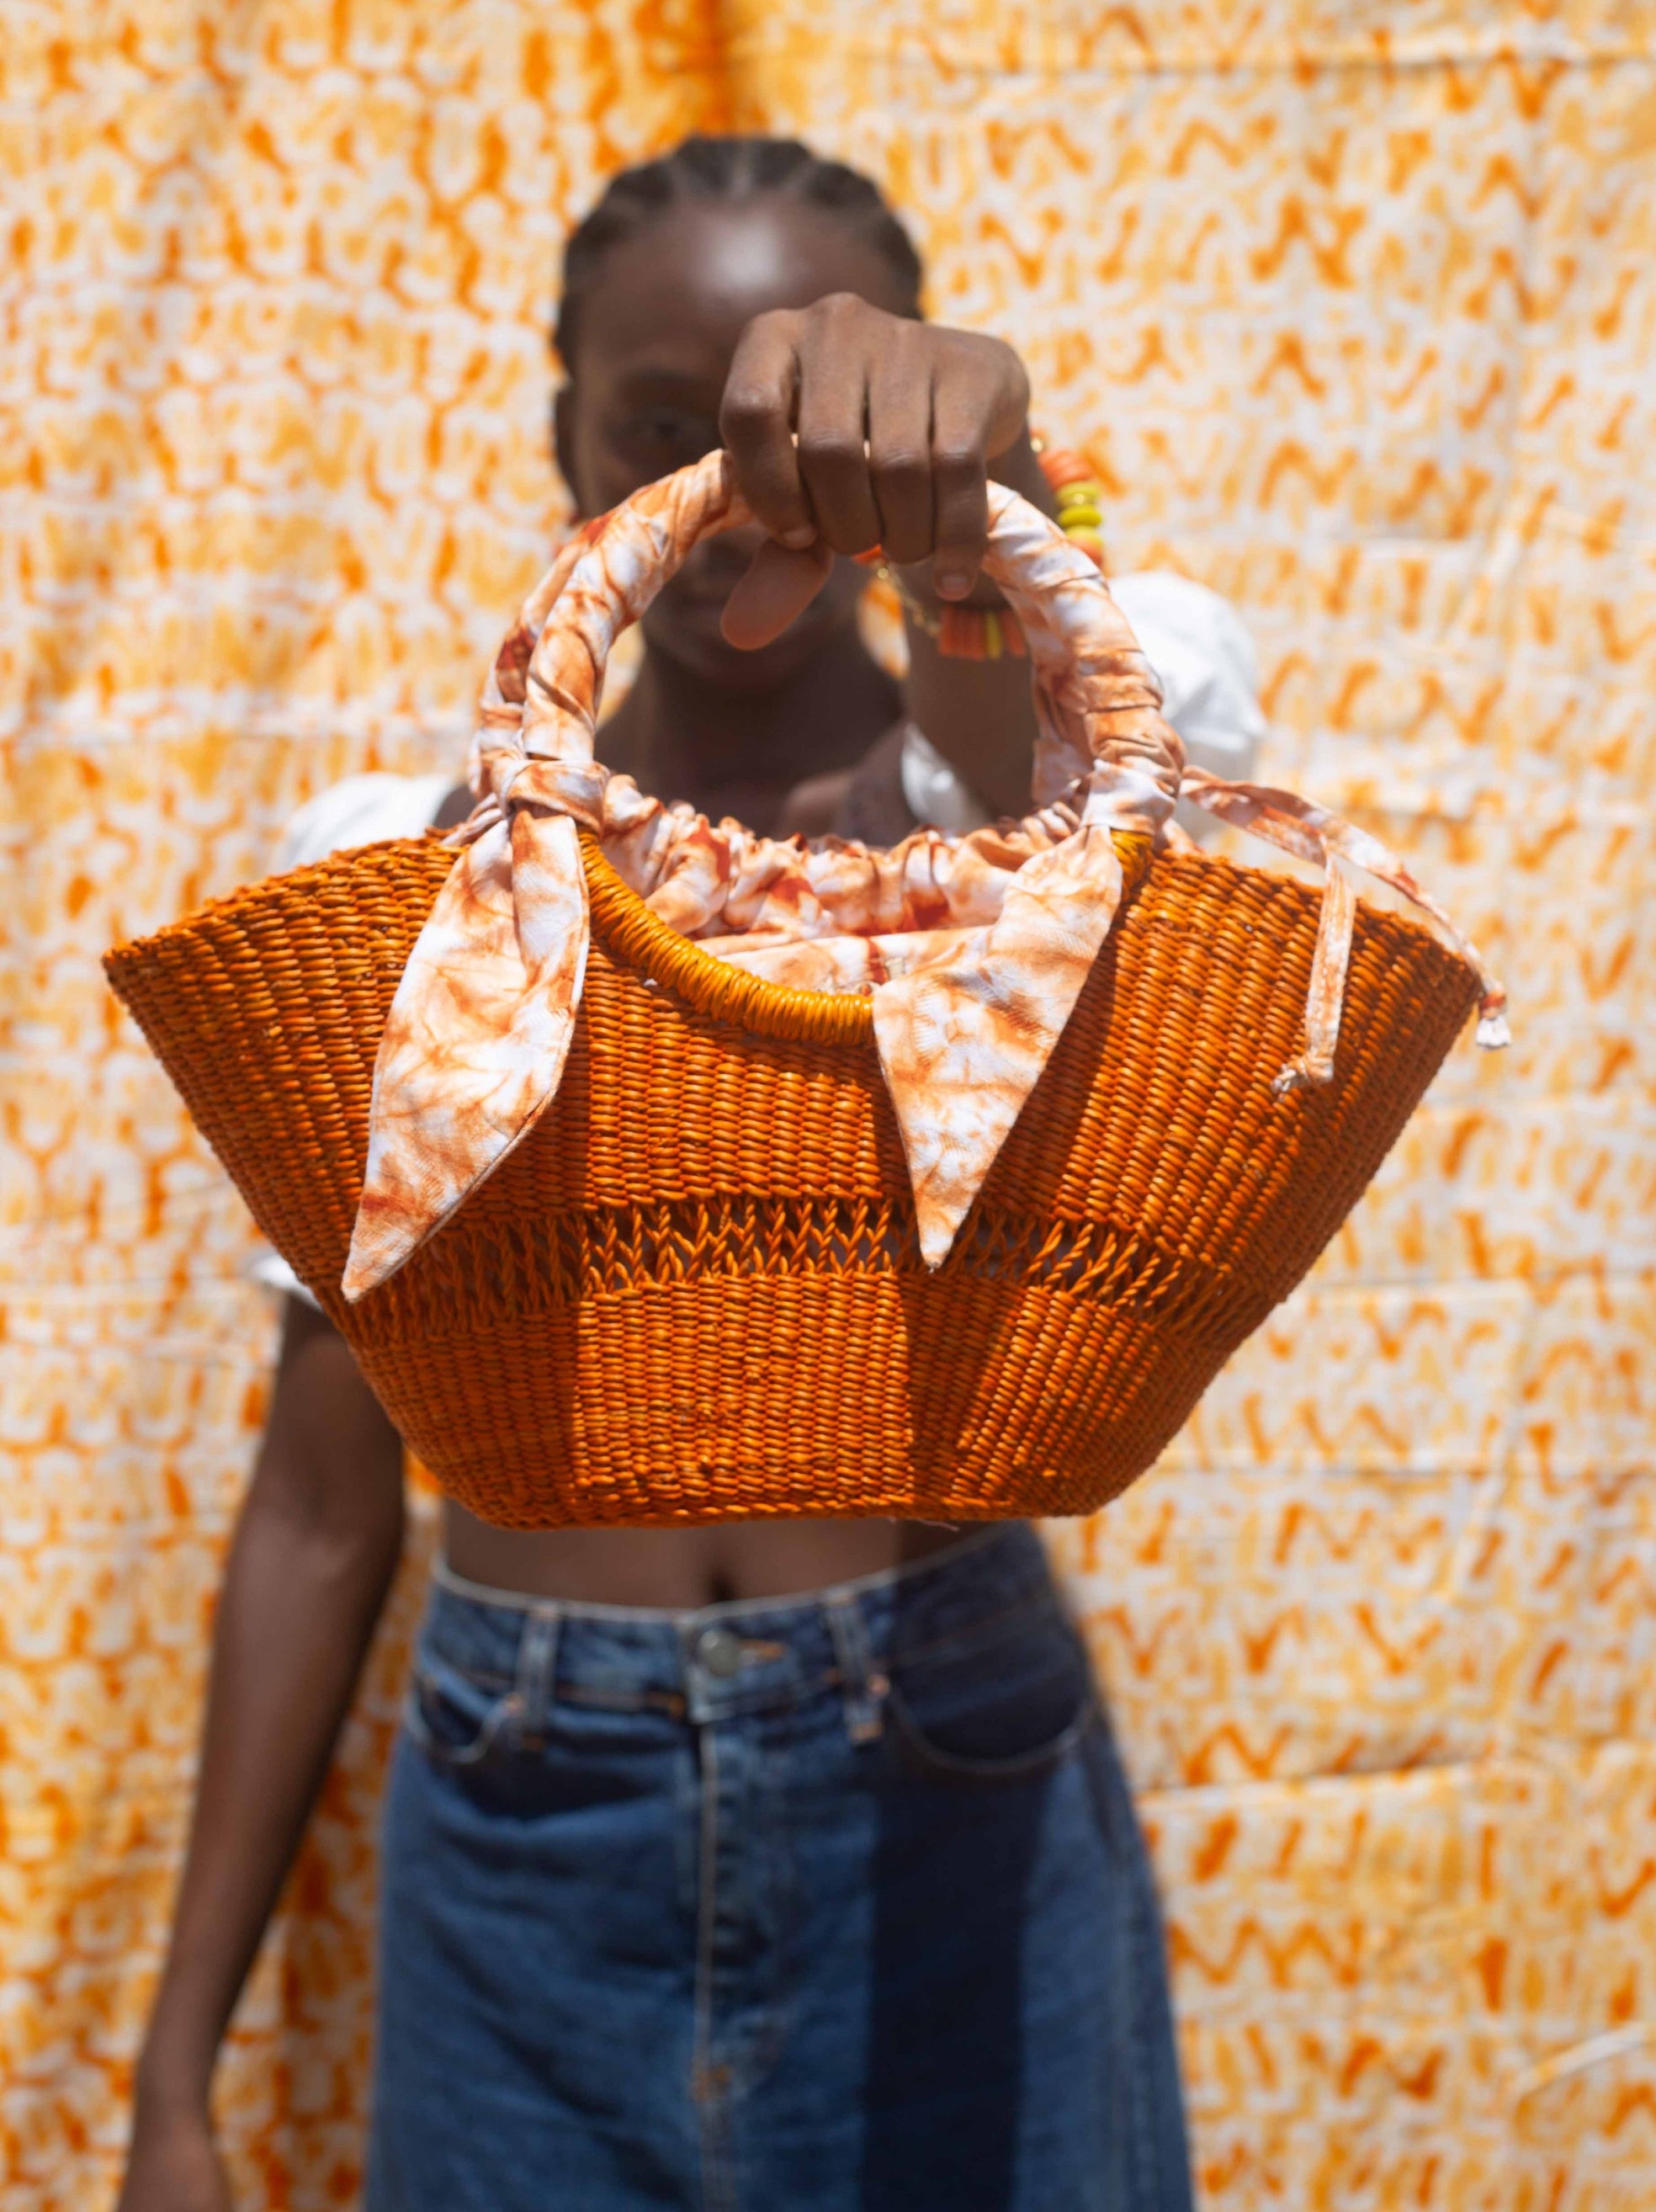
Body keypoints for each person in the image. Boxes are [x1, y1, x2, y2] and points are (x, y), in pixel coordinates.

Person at [118, 136, 1203, 2212]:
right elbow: (325, 1506)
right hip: (522, 1813)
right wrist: (181, 2077)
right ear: (561, 450)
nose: (744, 504)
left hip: (948, 1773)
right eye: (660, 433)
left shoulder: (972, 808)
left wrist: (1007, 500)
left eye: (806, 445)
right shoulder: (424, 867)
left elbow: (1059, 770)